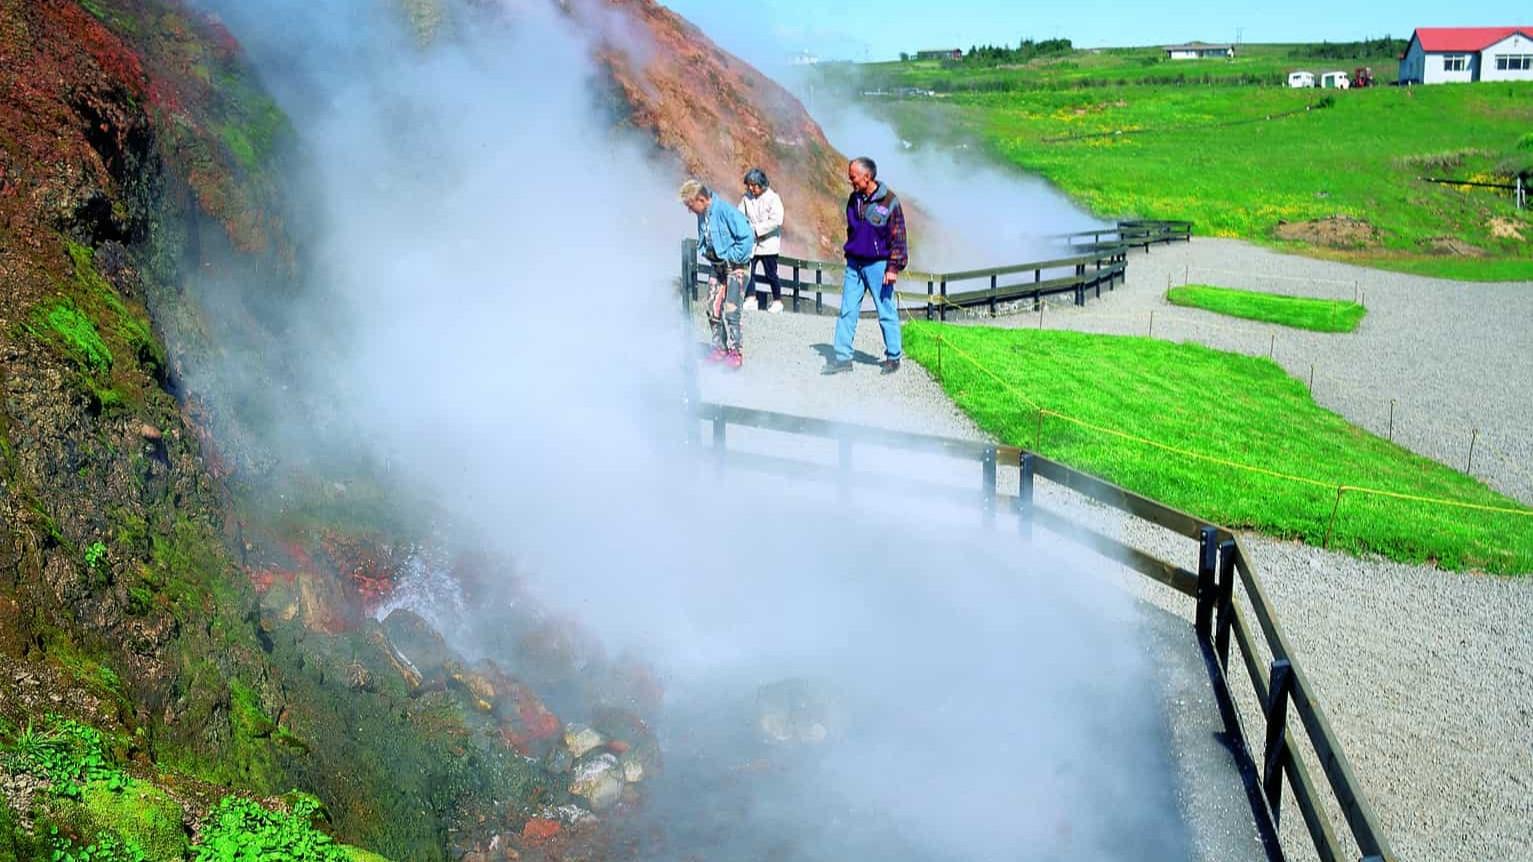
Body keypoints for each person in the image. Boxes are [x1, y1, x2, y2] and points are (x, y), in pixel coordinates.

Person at [823, 156, 907, 376]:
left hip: (878, 265)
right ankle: (843, 358)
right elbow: (852, 229)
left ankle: (893, 356)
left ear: (867, 176)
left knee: (885, 310)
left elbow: (899, 236)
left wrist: (893, 268)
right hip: (854, 264)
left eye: (853, 177)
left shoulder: (890, 201)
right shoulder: (854, 199)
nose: (850, 180)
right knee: (847, 310)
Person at [680, 179, 754, 369]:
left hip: (736, 267)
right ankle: (719, 348)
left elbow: (747, 236)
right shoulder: (702, 214)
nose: (689, 210)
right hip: (718, 266)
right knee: (712, 307)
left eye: (690, 205)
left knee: (731, 310)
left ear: (701, 199)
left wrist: (732, 257)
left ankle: (736, 352)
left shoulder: (725, 211)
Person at [739, 168, 785, 313]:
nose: (750, 188)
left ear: (762, 184)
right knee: (748, 270)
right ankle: (750, 298)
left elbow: (777, 220)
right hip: (752, 242)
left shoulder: (773, 198)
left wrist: (757, 230)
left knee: (771, 274)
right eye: (749, 185)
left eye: (753, 185)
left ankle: (777, 301)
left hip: (768, 243)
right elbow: (740, 215)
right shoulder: (746, 198)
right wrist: (745, 229)